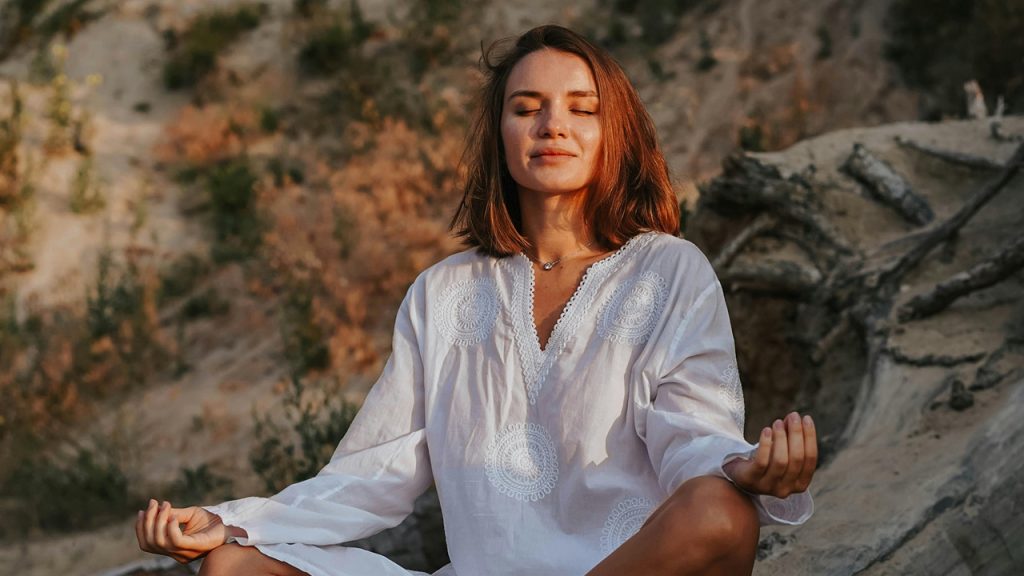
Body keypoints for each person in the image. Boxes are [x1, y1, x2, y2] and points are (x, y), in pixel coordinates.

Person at [135, 24, 816, 576]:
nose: (553, 125)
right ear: (499, 134)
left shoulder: (669, 271)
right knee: (233, 568)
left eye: (583, 109)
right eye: (527, 109)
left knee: (720, 514)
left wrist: (742, 466)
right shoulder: (444, 292)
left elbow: (691, 433)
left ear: (617, 136)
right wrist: (237, 523)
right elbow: (374, 472)